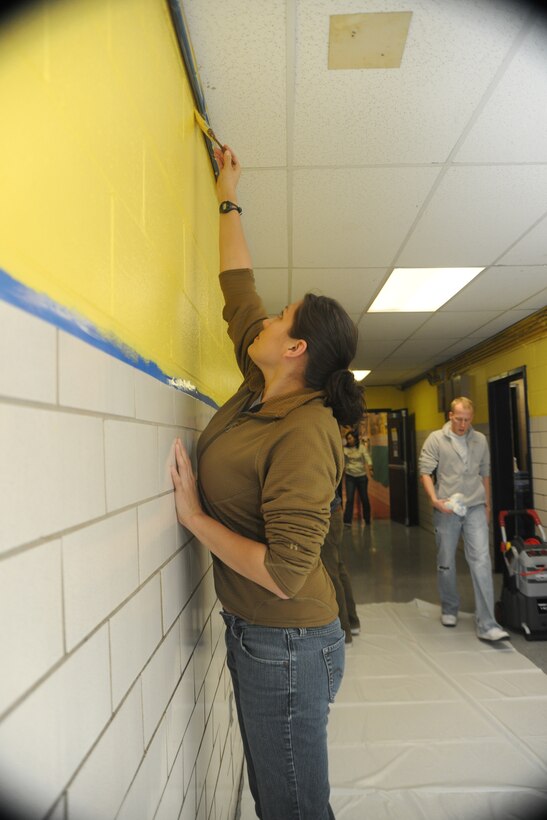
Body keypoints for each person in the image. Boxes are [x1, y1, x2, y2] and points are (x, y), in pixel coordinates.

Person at [170, 145, 365, 820]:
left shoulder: (304, 434)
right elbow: (237, 287)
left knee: (292, 808)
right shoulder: (261, 383)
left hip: (287, 642)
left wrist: (195, 518)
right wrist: (228, 192)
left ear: (296, 349)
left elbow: (285, 572)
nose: (266, 318)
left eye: (281, 317)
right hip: (263, 635)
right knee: (277, 797)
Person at [418, 396, 509, 642]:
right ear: (450, 416)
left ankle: (487, 624)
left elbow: (485, 474)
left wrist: (487, 504)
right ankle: (449, 608)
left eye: (467, 420)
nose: (462, 424)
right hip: (447, 507)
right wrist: (435, 500)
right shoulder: (436, 439)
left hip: (475, 506)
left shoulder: (480, 441)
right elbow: (425, 471)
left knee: (481, 560)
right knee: (446, 560)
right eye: (458, 419)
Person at [321, 484, 361, 645]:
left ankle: (343, 632)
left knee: (331, 574)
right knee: (337, 568)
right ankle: (351, 622)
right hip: (332, 512)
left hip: (325, 515)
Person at [342, 430, 372, 527]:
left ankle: (367, 519)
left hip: (361, 476)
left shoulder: (361, 448)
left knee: (364, 498)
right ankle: (347, 521)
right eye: (347, 438)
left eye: (350, 438)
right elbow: (343, 462)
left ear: (355, 438)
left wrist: (371, 468)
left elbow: (367, 458)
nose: (348, 440)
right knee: (350, 499)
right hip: (350, 476)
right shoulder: (345, 449)